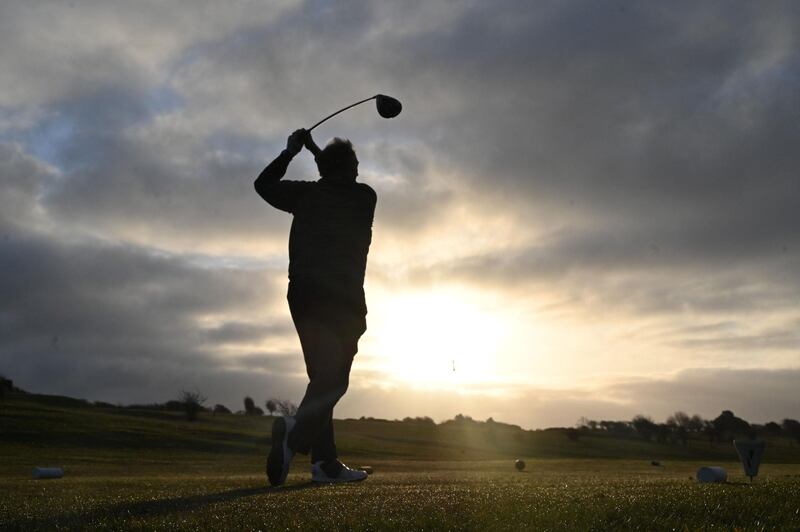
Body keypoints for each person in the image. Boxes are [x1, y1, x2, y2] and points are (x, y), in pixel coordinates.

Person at [254, 128, 376, 486]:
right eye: (355, 163)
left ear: (323, 167)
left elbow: (263, 184)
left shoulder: (306, 194)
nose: (358, 169)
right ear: (351, 168)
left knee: (322, 377)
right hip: (342, 298)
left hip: (303, 294)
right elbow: (335, 172)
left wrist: (292, 151)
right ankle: (295, 435)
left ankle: (325, 464)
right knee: (334, 380)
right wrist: (312, 151)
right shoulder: (364, 196)